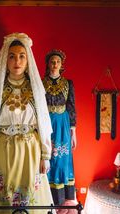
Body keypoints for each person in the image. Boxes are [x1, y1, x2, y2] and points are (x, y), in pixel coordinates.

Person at [0, 33, 55, 214]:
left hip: (30, 151)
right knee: (3, 196)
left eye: (22, 56)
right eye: (11, 56)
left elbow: (44, 123)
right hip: (2, 151)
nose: (17, 61)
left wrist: (46, 154)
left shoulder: (34, 89)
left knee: (29, 196)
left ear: (28, 60)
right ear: (5, 59)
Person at [43, 49, 77, 206]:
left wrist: (73, 132)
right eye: (52, 61)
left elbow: (71, 107)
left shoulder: (68, 84)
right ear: (48, 64)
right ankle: (45, 195)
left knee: (61, 158)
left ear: (61, 64)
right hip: (46, 122)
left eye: (57, 61)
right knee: (47, 156)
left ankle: (62, 198)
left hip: (63, 123)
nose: (55, 64)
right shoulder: (40, 83)